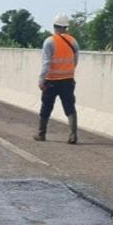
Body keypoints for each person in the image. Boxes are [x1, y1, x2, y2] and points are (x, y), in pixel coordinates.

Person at [34, 13, 79, 144]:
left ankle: (41, 133)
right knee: (70, 107)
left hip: (52, 80)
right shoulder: (73, 41)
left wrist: (41, 79)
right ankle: (73, 135)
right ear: (66, 27)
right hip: (68, 80)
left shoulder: (49, 42)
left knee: (46, 107)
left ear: (54, 26)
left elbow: (46, 63)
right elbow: (75, 60)